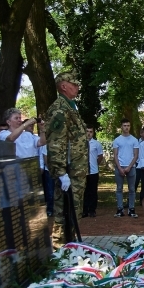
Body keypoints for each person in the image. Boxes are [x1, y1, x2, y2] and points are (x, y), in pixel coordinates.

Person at [44, 72, 89, 248]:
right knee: (62, 213)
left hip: (76, 171)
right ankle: (59, 252)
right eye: (74, 84)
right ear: (63, 86)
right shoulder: (59, 109)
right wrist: (61, 172)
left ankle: (70, 248)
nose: (77, 87)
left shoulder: (71, 107)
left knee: (73, 213)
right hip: (68, 172)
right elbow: (56, 143)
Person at [112, 119, 140, 218]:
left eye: (128, 125)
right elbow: (115, 155)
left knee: (132, 189)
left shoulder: (134, 140)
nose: (126, 127)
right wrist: (119, 168)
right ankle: (120, 209)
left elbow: (136, 155)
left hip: (131, 167)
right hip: (119, 167)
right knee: (119, 188)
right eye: (124, 125)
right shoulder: (117, 140)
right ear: (121, 127)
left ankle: (131, 209)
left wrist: (129, 167)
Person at [82, 127, 104, 218]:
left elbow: (100, 156)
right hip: (83, 171)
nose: (89, 133)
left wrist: (95, 164)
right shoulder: (81, 143)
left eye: (91, 132)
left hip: (93, 171)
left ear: (93, 133)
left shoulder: (97, 144)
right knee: (84, 191)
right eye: (87, 131)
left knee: (93, 191)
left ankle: (92, 210)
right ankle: (84, 210)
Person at [134, 126, 144, 206]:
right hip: (137, 165)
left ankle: (142, 200)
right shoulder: (136, 142)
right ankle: (130, 201)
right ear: (140, 133)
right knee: (134, 183)